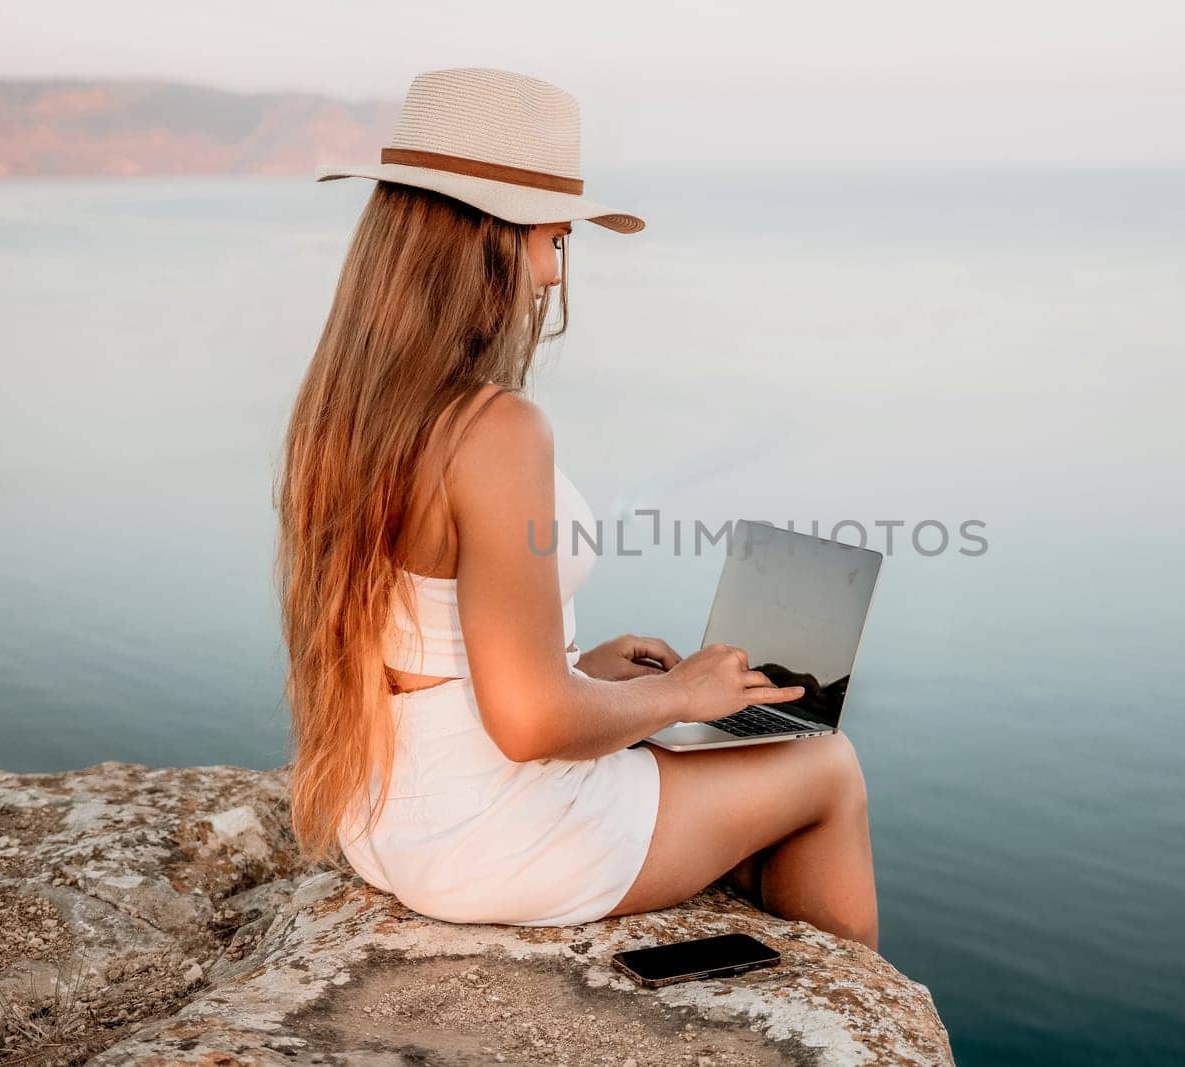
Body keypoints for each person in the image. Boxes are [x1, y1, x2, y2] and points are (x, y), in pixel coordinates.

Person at [274, 69, 878, 948]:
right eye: (551, 240)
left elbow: (426, 640)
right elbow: (528, 725)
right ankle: (850, 1025)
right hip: (491, 833)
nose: (554, 274)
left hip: (386, 815)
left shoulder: (351, 404)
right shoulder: (497, 428)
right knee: (826, 766)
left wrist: (579, 667)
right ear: (481, 243)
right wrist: (680, 694)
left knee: (734, 786)